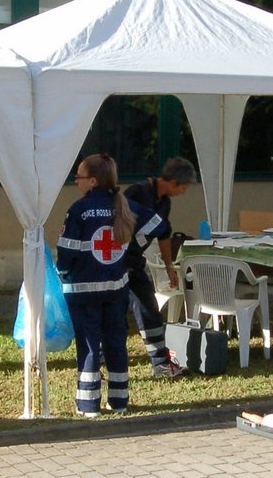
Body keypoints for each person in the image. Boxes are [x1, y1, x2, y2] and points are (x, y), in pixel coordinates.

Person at [58, 153, 149, 417]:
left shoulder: (79, 210)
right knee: (116, 343)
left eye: (79, 177)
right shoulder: (123, 206)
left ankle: (88, 405)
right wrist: (131, 260)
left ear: (94, 181)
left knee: (88, 345)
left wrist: (62, 272)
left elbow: (67, 251)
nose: (76, 182)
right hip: (116, 289)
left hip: (83, 291)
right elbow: (158, 224)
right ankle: (119, 402)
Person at [123, 157, 197, 378]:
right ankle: (101, 362)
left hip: (136, 263)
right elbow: (116, 222)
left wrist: (169, 266)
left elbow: (164, 235)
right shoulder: (136, 193)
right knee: (114, 314)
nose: (184, 192)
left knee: (149, 308)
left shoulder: (164, 202)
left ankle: (160, 363)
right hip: (116, 263)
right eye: (184, 187)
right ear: (173, 181)